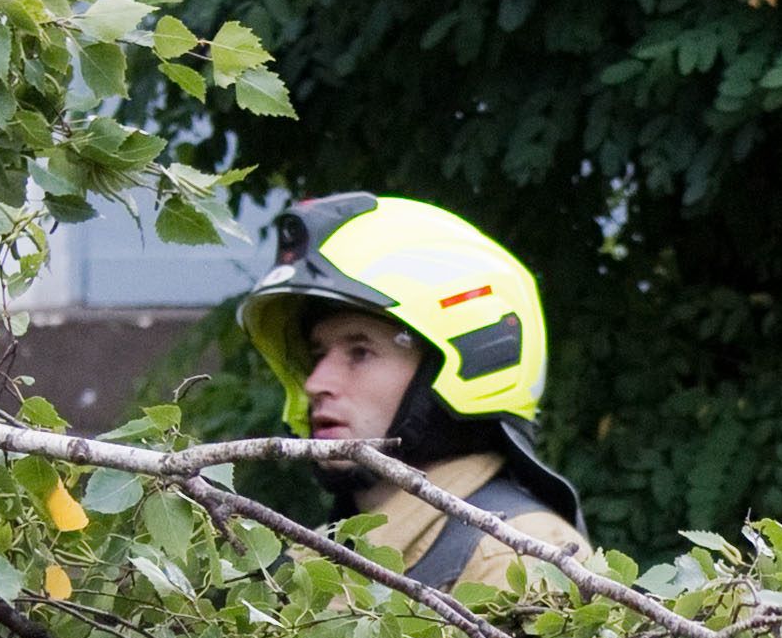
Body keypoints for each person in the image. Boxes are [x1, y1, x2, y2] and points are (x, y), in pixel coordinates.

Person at [235, 193, 593, 593]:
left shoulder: (519, 562)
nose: (316, 383)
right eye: (317, 354)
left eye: (360, 352)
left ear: (467, 360)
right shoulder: (312, 560)